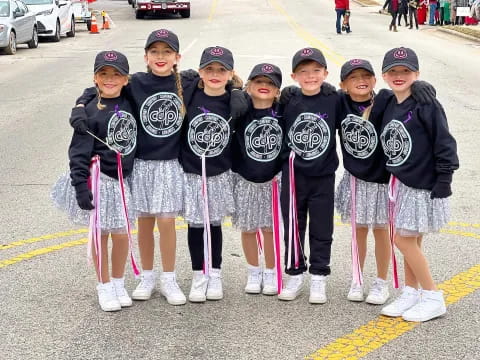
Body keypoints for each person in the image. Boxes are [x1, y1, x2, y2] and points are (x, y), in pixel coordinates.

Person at [70, 29, 198, 306]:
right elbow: (103, 87)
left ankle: (169, 278)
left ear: (177, 56)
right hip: (138, 165)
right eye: (154, 52)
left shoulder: (187, 82)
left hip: (168, 164)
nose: (160, 57)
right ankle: (147, 276)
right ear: (146, 57)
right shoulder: (136, 82)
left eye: (167, 52)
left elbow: (221, 82)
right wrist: (80, 105)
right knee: (143, 222)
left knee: (166, 221)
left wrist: (236, 92)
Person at [52, 50, 138, 312]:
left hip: (123, 181)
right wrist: (80, 186)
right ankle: (103, 285)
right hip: (99, 181)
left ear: (126, 79)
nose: (110, 79)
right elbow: (77, 152)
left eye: (116, 74)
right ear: (95, 78)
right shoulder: (89, 112)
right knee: (101, 234)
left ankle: (118, 281)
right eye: (104, 74)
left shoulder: (131, 101)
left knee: (122, 235)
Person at [379, 47, 459, 322]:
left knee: (402, 239)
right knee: (412, 240)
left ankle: (433, 296)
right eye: (393, 71)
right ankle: (412, 292)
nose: (399, 76)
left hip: (423, 183)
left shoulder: (426, 103)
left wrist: (445, 178)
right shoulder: (388, 101)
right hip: (402, 181)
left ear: (417, 73)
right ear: (384, 75)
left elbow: (444, 141)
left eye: (406, 71)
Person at [180, 46, 243, 303]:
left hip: (219, 172)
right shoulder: (189, 93)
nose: (215, 74)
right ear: (200, 72)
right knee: (196, 224)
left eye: (221, 70)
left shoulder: (236, 99)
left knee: (214, 224)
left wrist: (238, 92)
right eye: (209, 69)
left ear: (230, 74)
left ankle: (215, 273)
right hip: (193, 171)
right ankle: (198, 274)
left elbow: (271, 99)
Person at [277, 48, 339, 304]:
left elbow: (364, 98)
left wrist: (421, 87)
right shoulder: (288, 99)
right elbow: (255, 98)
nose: (310, 76)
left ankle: (318, 275)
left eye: (316, 70)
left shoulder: (335, 99)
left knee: (322, 227)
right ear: (294, 75)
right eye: (303, 71)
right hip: (293, 176)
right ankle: (294, 272)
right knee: (293, 226)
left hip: (323, 176)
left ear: (326, 73)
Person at [335, 59, 392, 305]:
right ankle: (357, 278)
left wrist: (424, 89)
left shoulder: (386, 101)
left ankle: (381, 282)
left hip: (381, 180)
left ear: (374, 80)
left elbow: (411, 99)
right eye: (354, 77)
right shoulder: (338, 102)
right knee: (358, 231)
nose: (361, 81)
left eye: (366, 76)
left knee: (382, 231)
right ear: (343, 84)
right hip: (355, 179)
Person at [231, 63, 284, 295]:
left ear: (278, 90)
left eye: (270, 83)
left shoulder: (283, 110)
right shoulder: (240, 108)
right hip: (245, 177)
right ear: (249, 85)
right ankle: (254, 271)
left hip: (273, 178)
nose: (264, 86)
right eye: (259, 82)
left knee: (270, 228)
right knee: (249, 228)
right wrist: (234, 87)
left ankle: (271, 272)